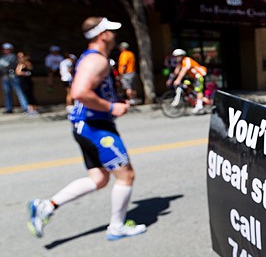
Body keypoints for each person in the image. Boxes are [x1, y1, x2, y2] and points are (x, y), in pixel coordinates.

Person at [27, 16, 147, 241]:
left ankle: (46, 206)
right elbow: (80, 91)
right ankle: (117, 227)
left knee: (99, 178)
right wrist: (111, 107)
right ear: (103, 35)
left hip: (85, 126)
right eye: (111, 31)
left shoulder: (91, 58)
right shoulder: (97, 61)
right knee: (126, 175)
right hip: (96, 127)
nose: (114, 34)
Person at [171, 48, 207, 113]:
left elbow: (183, 70)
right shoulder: (180, 63)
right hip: (191, 77)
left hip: (199, 75)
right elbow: (176, 71)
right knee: (185, 85)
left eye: (178, 56)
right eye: (175, 56)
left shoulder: (187, 60)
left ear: (182, 55)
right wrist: (170, 79)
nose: (176, 58)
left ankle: (199, 106)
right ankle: (193, 97)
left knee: (198, 90)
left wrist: (178, 80)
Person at [1, 42, 29, 114]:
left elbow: (11, 65)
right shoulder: (2, 57)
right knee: (7, 93)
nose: (6, 50)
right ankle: (9, 108)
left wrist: (5, 65)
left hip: (13, 76)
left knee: (19, 92)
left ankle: (25, 107)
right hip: (5, 76)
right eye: (4, 49)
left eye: (7, 49)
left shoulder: (13, 56)